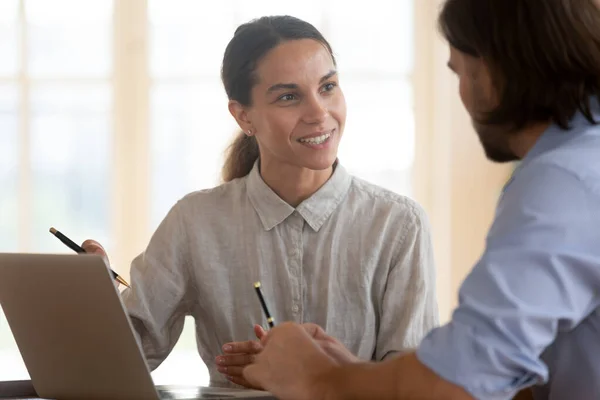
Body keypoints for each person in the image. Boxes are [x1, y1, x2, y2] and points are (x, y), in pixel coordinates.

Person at [241, 0, 600, 399]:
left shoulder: (564, 182)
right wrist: (356, 374)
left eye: (461, 73)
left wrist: (315, 378)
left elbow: (456, 386)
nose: (463, 94)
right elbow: (507, 380)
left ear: (494, 71)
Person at [83, 15, 438, 389]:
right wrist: (94, 296)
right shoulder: (194, 222)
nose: (319, 113)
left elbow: (414, 389)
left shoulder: (399, 225)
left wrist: (320, 373)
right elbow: (120, 364)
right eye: (289, 96)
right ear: (243, 116)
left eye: (328, 87)